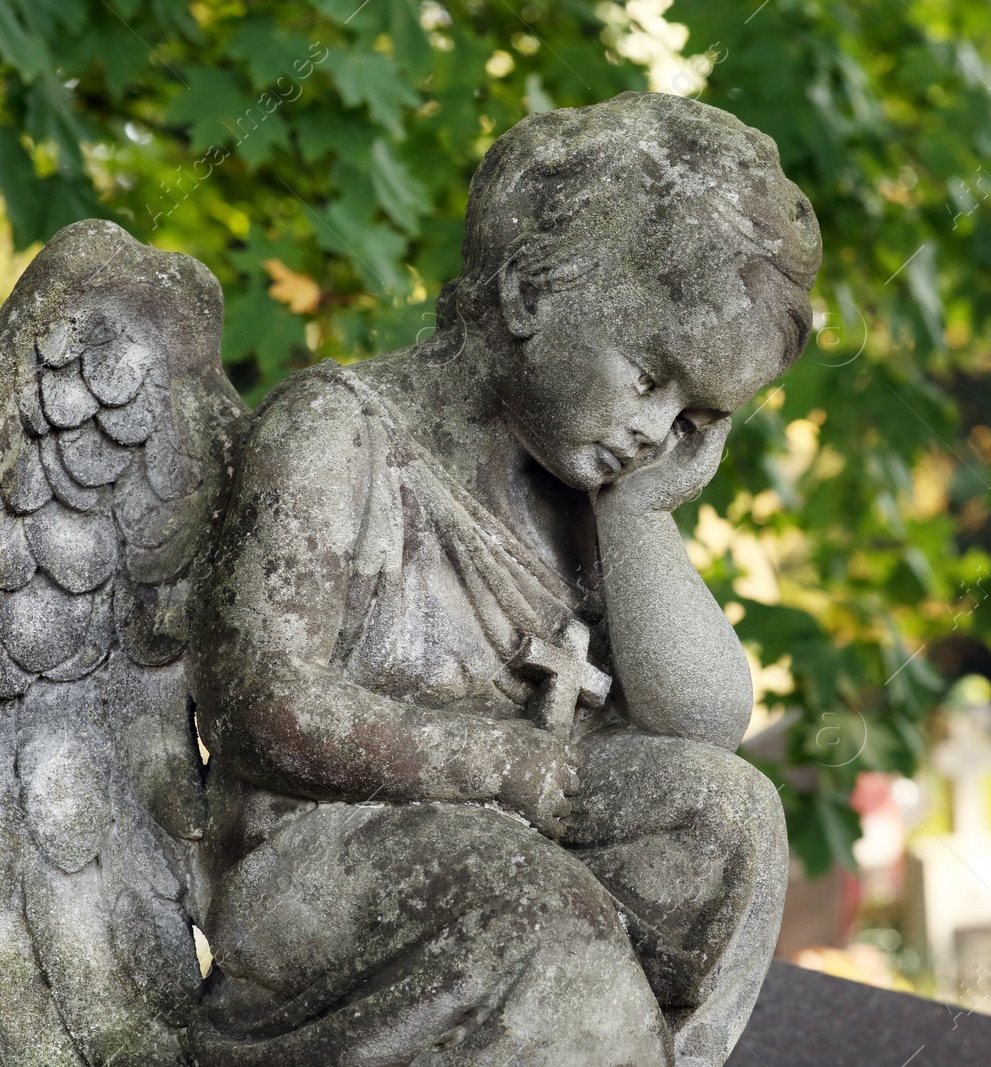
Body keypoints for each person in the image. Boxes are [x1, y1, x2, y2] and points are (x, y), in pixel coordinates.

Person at [189, 91, 822, 1066]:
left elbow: (704, 722)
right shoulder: (336, 430)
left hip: (520, 838)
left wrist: (637, 511)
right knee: (539, 909)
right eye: (654, 375)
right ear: (529, 291)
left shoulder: (588, 502)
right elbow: (256, 704)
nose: (659, 430)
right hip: (314, 861)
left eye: (697, 416)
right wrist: (497, 767)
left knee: (730, 815)